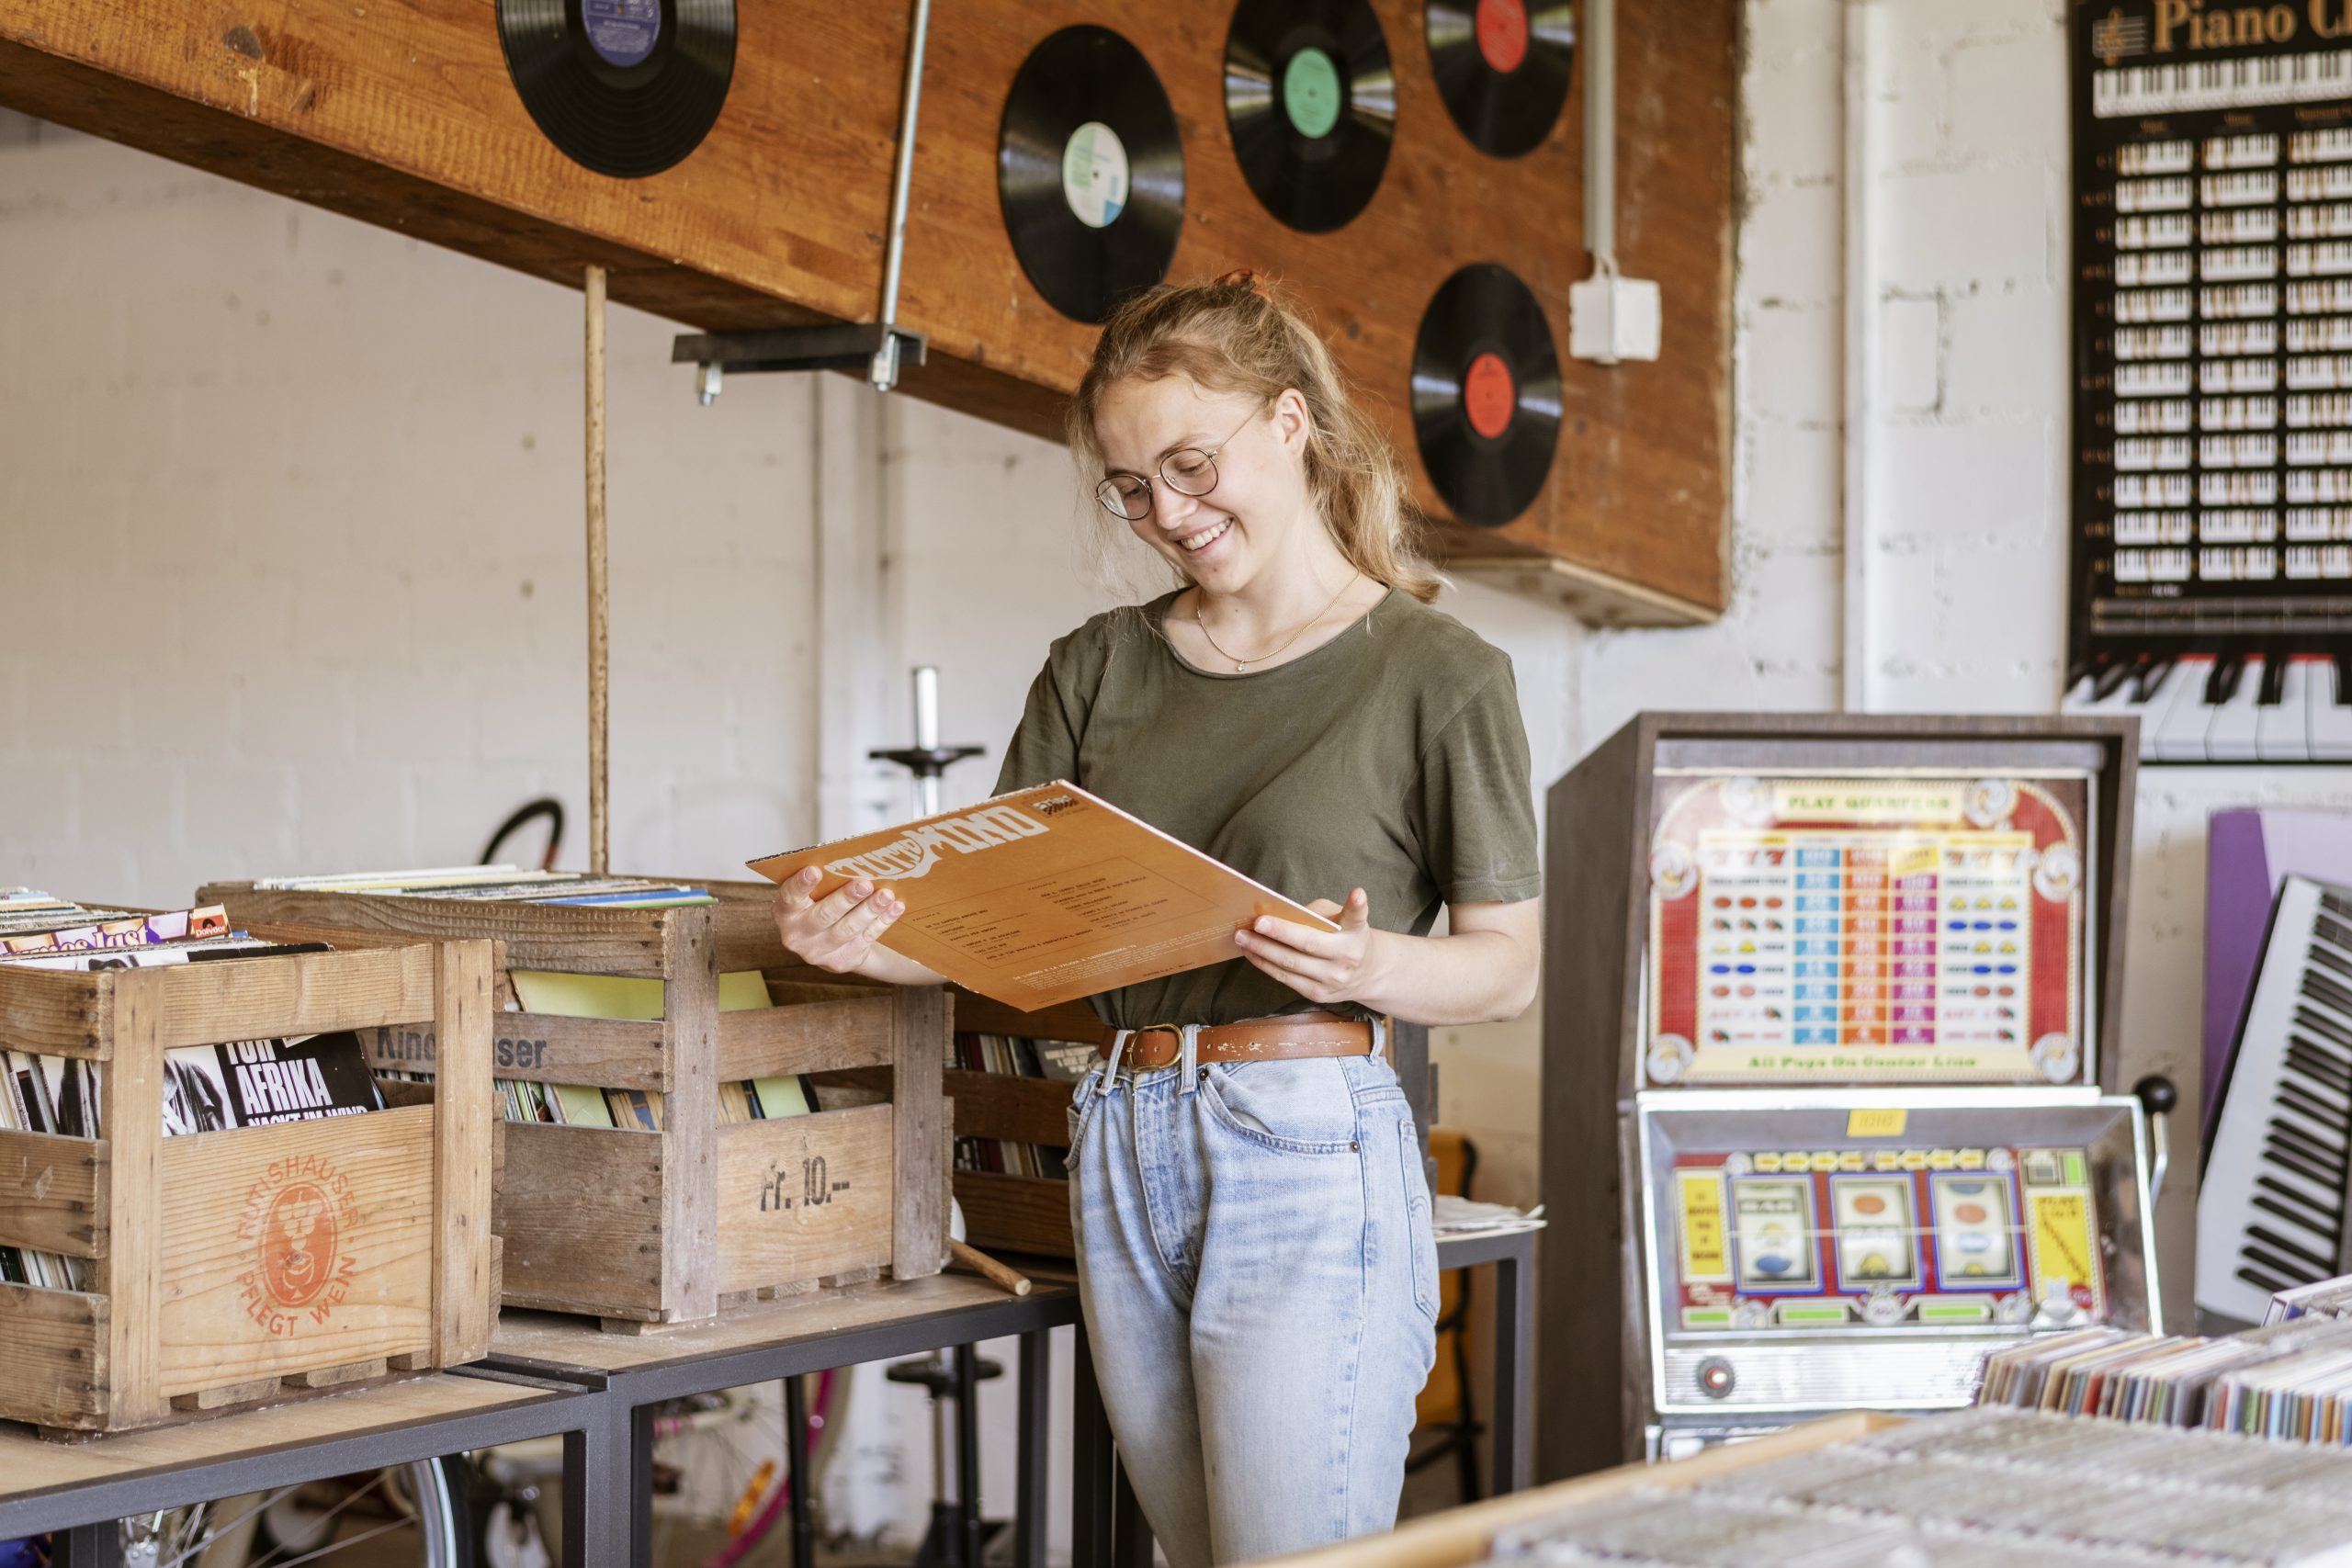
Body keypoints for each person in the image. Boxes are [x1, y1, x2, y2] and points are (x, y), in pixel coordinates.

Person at [772, 270, 1540, 1567]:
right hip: (1120, 1133)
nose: (1167, 515)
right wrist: (864, 935)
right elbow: (1000, 934)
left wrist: (1366, 963)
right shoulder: (1097, 666)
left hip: (1307, 1140)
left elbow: (1507, 970)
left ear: (1291, 426)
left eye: (1191, 466)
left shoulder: (1440, 676)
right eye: (1131, 488)